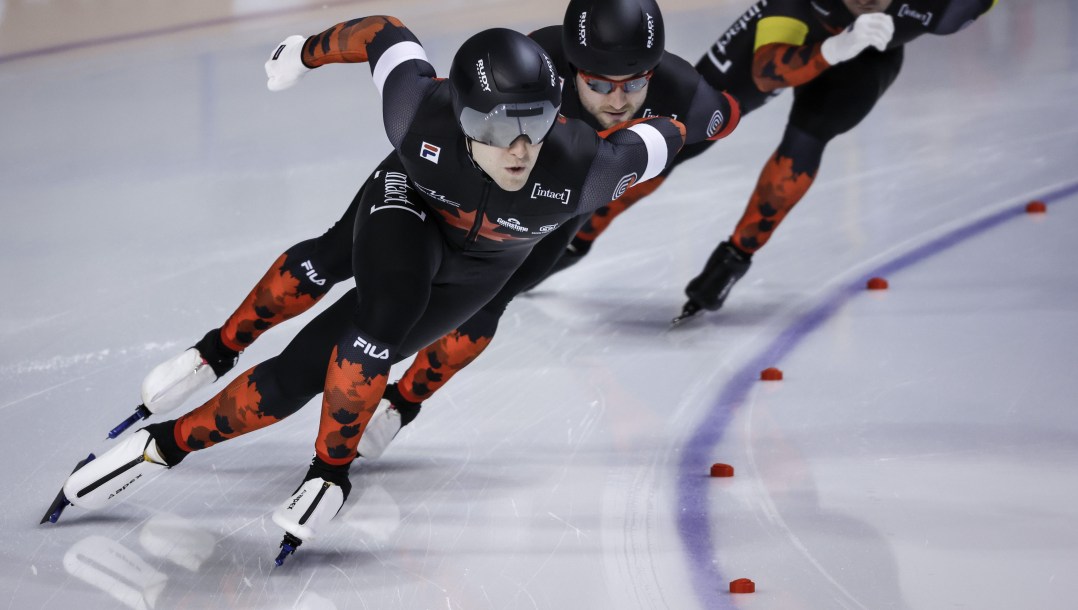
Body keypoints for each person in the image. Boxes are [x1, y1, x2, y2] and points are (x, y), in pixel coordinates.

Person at [54, 16, 686, 564]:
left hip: (476, 272)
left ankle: (161, 447)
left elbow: (675, 130)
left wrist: (697, 105)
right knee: (377, 313)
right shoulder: (417, 112)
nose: (520, 148)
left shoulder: (587, 168)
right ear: (462, 116)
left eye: (537, 122)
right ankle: (239, 374)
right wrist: (304, 51)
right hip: (409, 205)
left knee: (298, 378)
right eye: (496, 128)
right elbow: (383, 33)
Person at [110, 0, 739, 461]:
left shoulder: (682, 92)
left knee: (491, 302)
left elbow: (726, 112)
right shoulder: (533, 56)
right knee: (335, 253)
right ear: (567, 63)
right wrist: (306, 50)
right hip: (440, 178)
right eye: (597, 82)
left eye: (636, 83)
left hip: (539, 212)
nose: (618, 98)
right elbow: (405, 58)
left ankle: (401, 404)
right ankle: (219, 348)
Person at [538, 0, 998, 323]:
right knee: (682, 129)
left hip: (870, 57)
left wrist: (851, 51)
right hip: (792, 33)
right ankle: (583, 235)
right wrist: (831, 49)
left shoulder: (945, 7)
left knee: (807, 139)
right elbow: (765, 69)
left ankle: (734, 260)